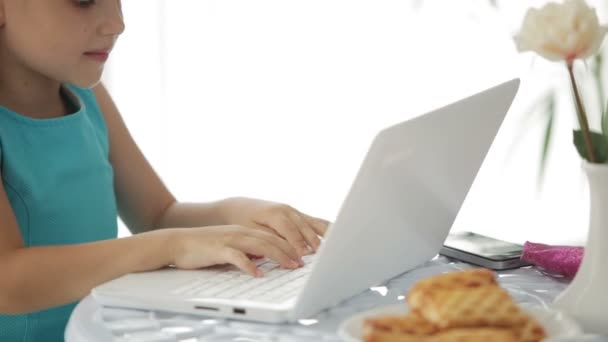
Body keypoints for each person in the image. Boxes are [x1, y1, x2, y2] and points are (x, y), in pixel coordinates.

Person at [0, 1, 329, 341]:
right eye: (84, 1)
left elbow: (158, 216)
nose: (117, 23)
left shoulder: (89, 96)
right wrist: (171, 246)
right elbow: (6, 282)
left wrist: (240, 214)